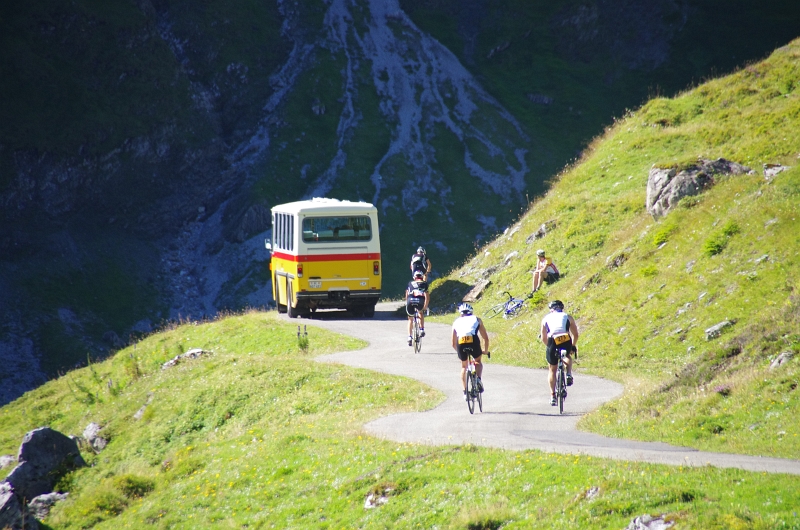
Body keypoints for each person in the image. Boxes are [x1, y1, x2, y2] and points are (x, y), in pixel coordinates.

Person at [540, 300, 578, 406]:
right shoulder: (567, 316)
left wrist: (550, 347)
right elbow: (575, 334)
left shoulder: (545, 318)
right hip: (565, 337)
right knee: (567, 355)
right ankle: (569, 373)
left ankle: (552, 396)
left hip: (552, 339)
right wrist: (573, 346)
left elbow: (543, 338)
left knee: (552, 369)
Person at [452, 303, 490, 400]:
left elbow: (453, 343)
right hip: (473, 340)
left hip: (460, 342)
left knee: (464, 366)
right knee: (477, 361)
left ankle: (465, 392)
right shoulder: (477, 319)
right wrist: (485, 351)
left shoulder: (456, 322)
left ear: (460, 313)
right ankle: (478, 380)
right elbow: (485, 338)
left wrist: (460, 353)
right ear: (471, 312)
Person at [406, 270, 429, 346]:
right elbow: (427, 297)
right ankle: (421, 329)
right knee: (420, 312)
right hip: (420, 301)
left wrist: (407, 303)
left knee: (410, 319)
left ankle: (409, 337)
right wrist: (425, 306)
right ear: (422, 277)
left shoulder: (410, 283)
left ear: (414, 277)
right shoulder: (424, 283)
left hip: (410, 301)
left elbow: (407, 294)